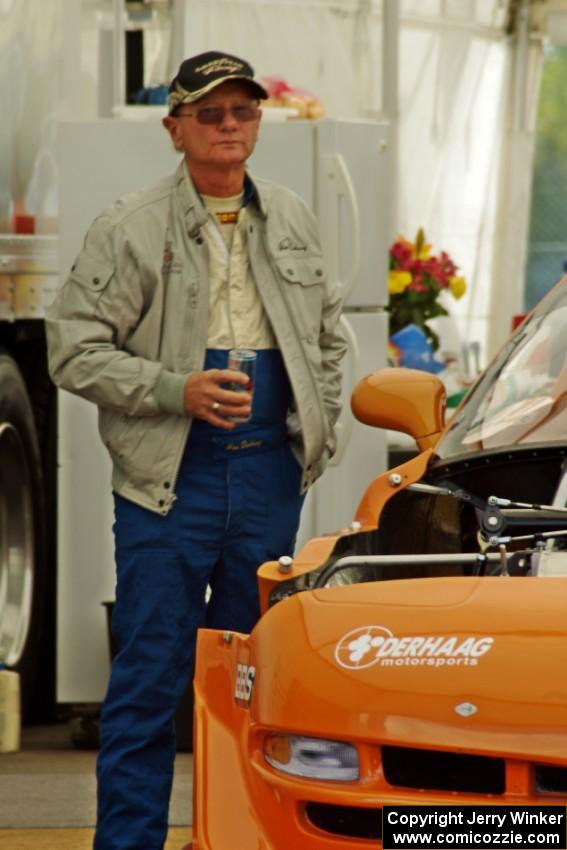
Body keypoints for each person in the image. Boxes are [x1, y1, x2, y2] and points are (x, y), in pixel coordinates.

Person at [46, 50, 346, 850]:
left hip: (267, 474)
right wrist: (176, 389)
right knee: (148, 682)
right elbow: (70, 351)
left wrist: (315, 431)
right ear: (173, 126)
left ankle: (242, 836)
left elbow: (327, 337)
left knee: (257, 681)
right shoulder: (128, 225)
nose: (227, 126)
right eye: (209, 113)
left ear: (257, 123)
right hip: (167, 481)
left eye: (241, 112)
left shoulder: (290, 213)